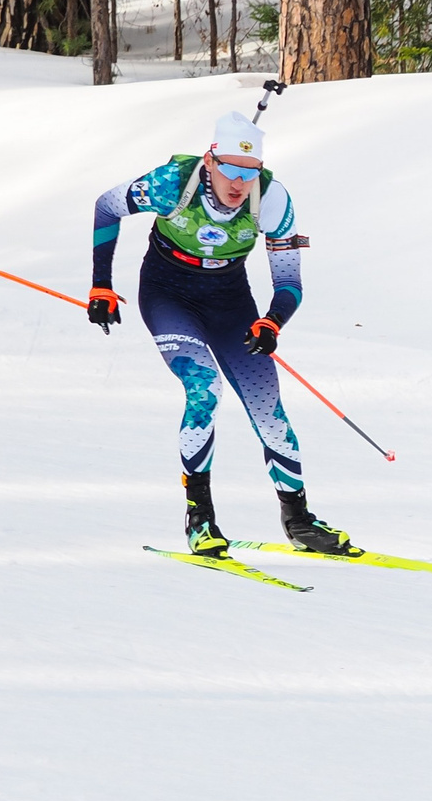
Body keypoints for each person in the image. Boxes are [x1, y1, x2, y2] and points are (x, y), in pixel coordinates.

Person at [86, 110, 350, 558]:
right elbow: (106, 206)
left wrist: (272, 322)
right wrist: (101, 284)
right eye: (228, 168)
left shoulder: (272, 199)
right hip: (168, 293)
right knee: (204, 388)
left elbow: (289, 282)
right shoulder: (174, 182)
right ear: (209, 161)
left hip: (229, 300)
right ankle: (200, 518)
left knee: (268, 409)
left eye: (249, 173)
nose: (237, 182)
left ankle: (298, 519)